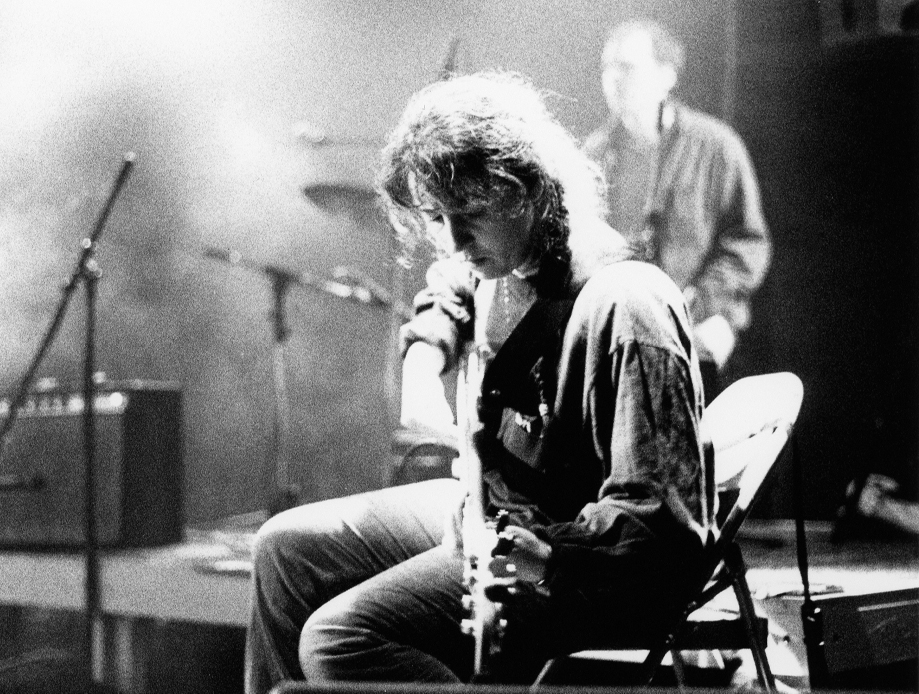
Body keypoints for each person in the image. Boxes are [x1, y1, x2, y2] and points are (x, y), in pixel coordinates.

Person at [244, 71, 715, 694]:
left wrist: (549, 555)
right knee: (283, 548)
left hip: (573, 562)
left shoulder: (627, 304)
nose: (453, 240)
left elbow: (662, 534)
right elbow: (453, 284)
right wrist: (425, 351)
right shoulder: (502, 259)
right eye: (436, 218)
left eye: (468, 215)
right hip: (492, 510)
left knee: (340, 638)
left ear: (528, 189)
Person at [584, 20, 771, 399]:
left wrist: (701, 300)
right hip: (625, 329)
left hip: (702, 323)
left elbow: (747, 244)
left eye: (627, 67)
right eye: (607, 67)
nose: (613, 78)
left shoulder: (717, 146)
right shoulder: (594, 155)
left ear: (666, 76)